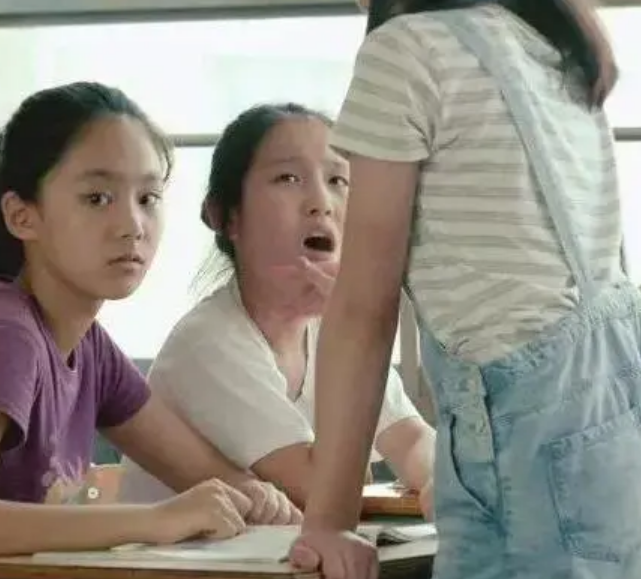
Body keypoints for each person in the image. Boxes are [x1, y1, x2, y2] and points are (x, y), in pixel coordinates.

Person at [287, 0, 641, 577]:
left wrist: (330, 521)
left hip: (528, 435)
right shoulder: (552, 41)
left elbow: (362, 308)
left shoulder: (405, 51)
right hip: (638, 412)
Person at [0, 82, 298, 558]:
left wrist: (257, 499)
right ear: (22, 216)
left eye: (148, 198)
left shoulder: (89, 348)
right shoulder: (3, 337)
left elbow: (211, 479)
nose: (132, 226)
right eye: (97, 198)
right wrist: (157, 519)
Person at [119, 103, 435, 516]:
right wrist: (356, 325)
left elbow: (412, 439)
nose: (321, 203)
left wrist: (436, 483)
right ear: (226, 216)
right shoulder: (209, 342)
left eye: (338, 180)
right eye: (288, 178)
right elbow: (320, 487)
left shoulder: (324, 328)